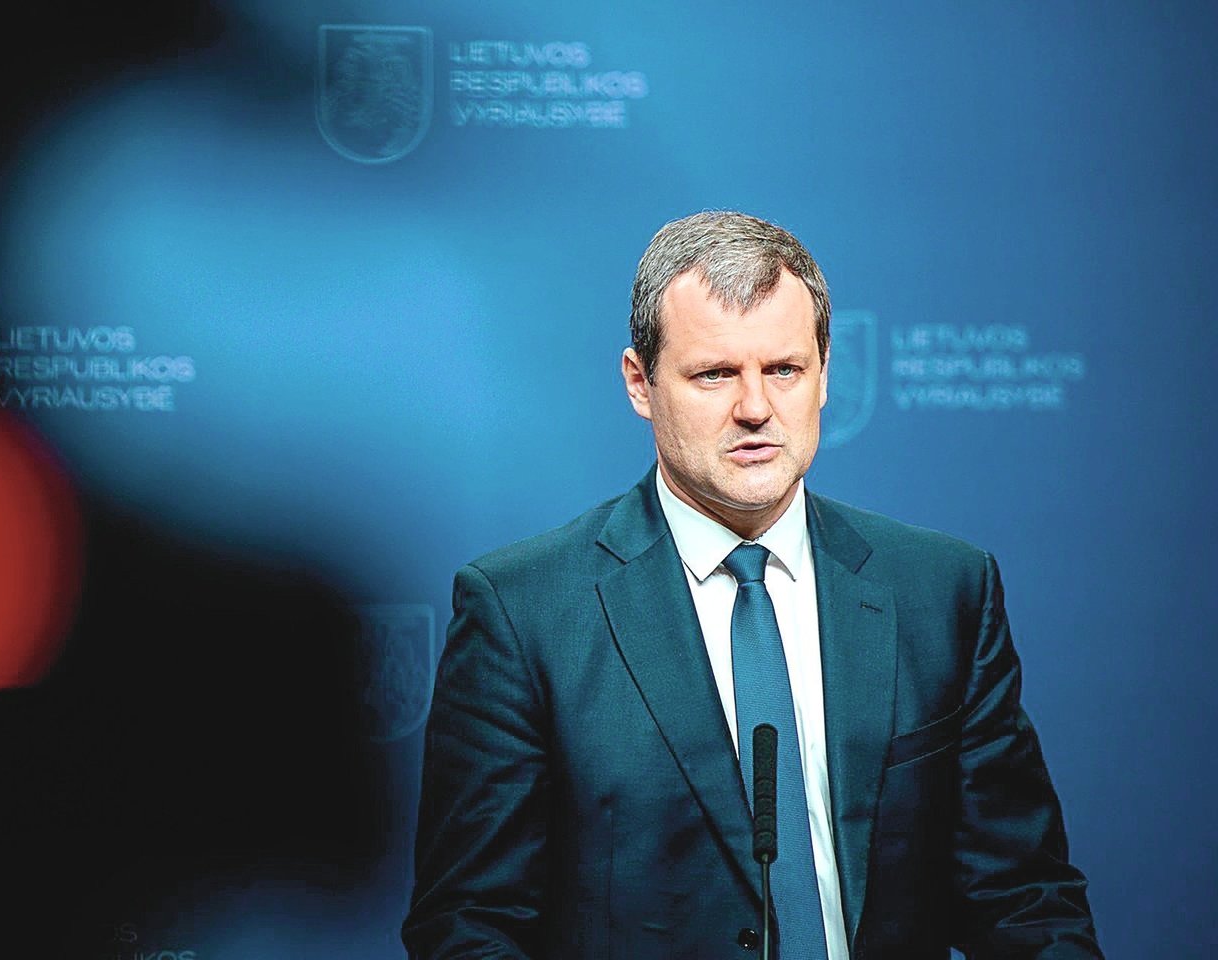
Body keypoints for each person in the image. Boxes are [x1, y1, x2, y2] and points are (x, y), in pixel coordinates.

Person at [403, 211, 1103, 959]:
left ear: (824, 373)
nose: (755, 409)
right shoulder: (524, 613)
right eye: (715, 374)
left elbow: (1024, 899)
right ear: (640, 383)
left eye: (783, 370)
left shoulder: (942, 591)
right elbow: (469, 927)